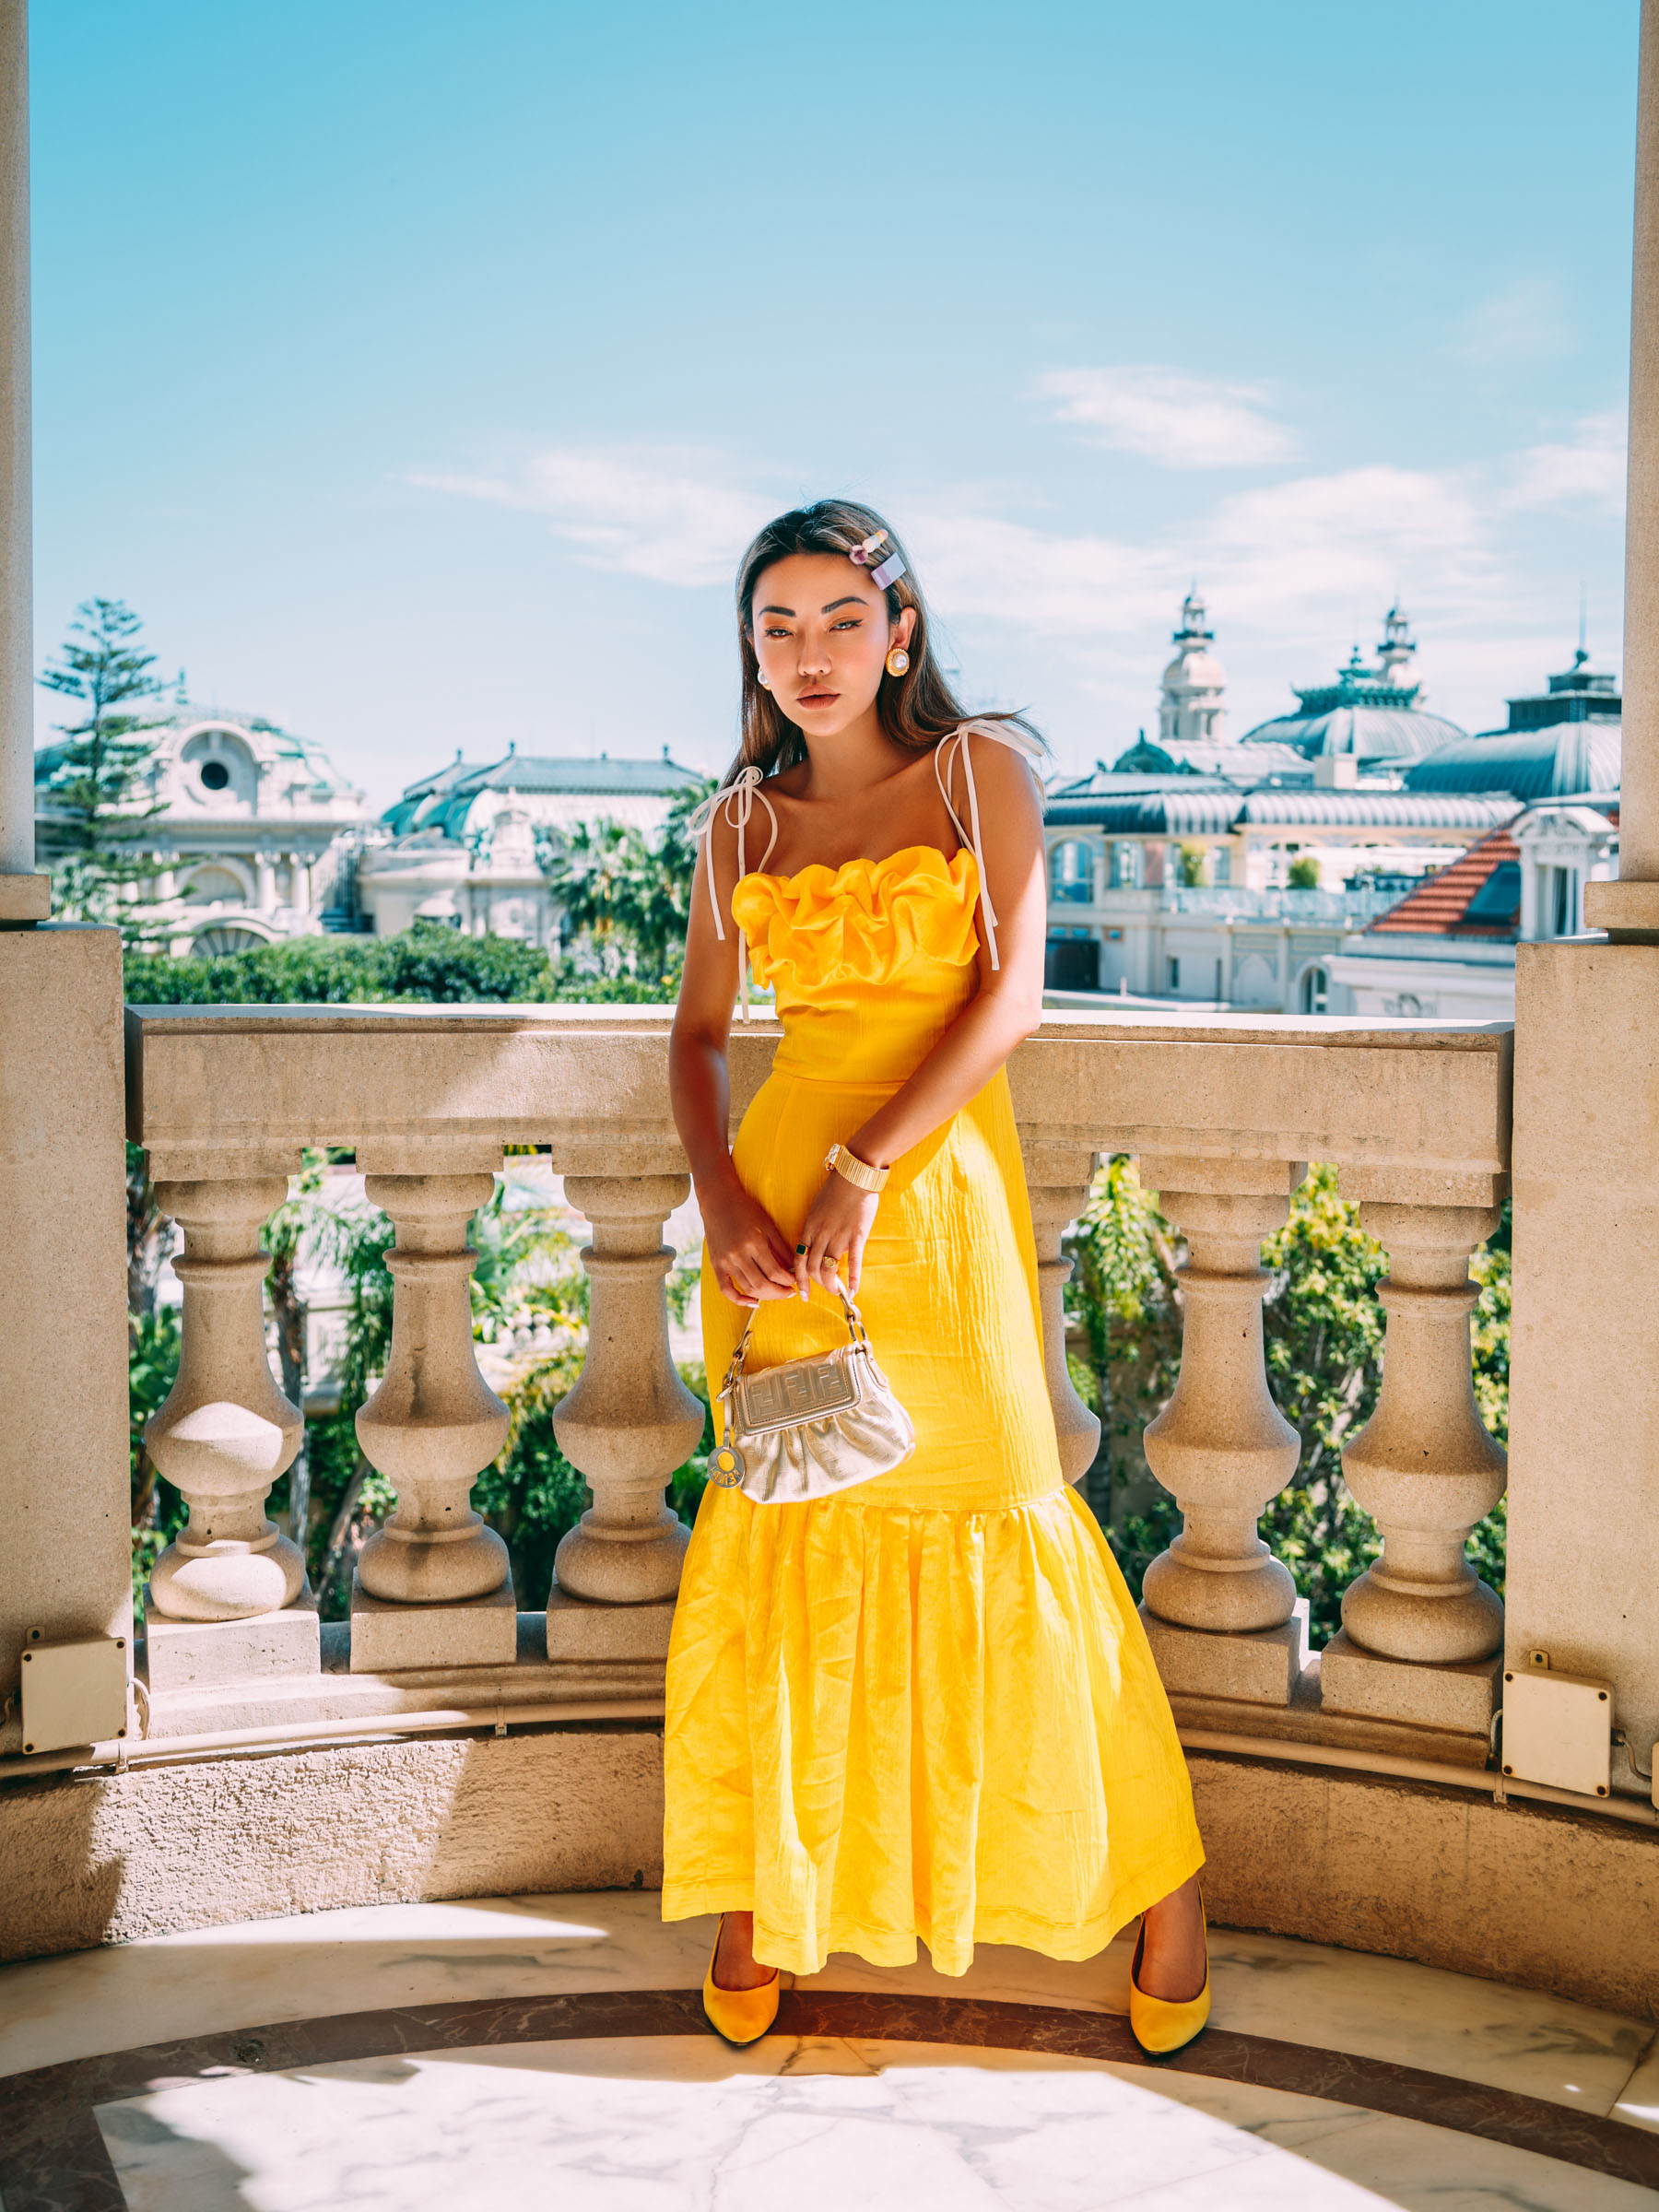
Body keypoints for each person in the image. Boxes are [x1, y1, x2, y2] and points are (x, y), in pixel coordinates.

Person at [663, 499, 1207, 2056]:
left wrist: (863, 1172)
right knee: (789, 1534)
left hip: (932, 1203)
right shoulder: (737, 825)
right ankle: (759, 1902)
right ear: (751, 651)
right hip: (770, 1225)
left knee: (1008, 1526)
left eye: (842, 620)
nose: (810, 655)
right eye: (778, 627)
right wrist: (724, 1204)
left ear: (900, 630)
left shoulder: (983, 772)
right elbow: (697, 1041)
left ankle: (1163, 1883)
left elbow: (1011, 998)